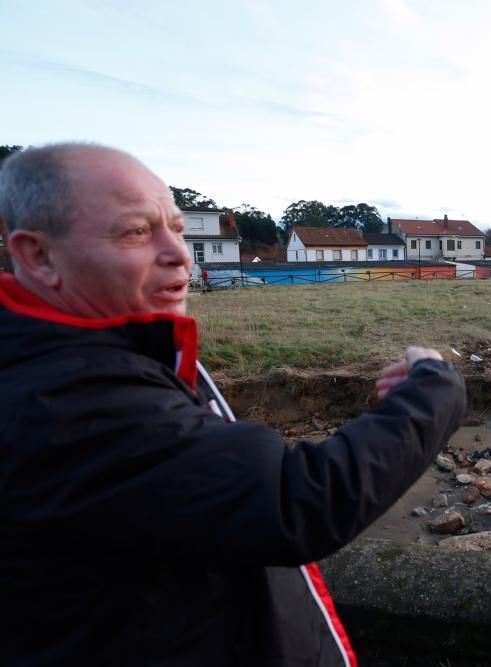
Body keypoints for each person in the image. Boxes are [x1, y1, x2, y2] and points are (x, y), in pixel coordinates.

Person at [0, 143, 467, 666]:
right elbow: (298, 501)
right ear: (38, 256)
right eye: (136, 231)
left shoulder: (90, 349)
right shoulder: (61, 398)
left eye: (176, 228)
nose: (179, 253)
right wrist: (436, 390)